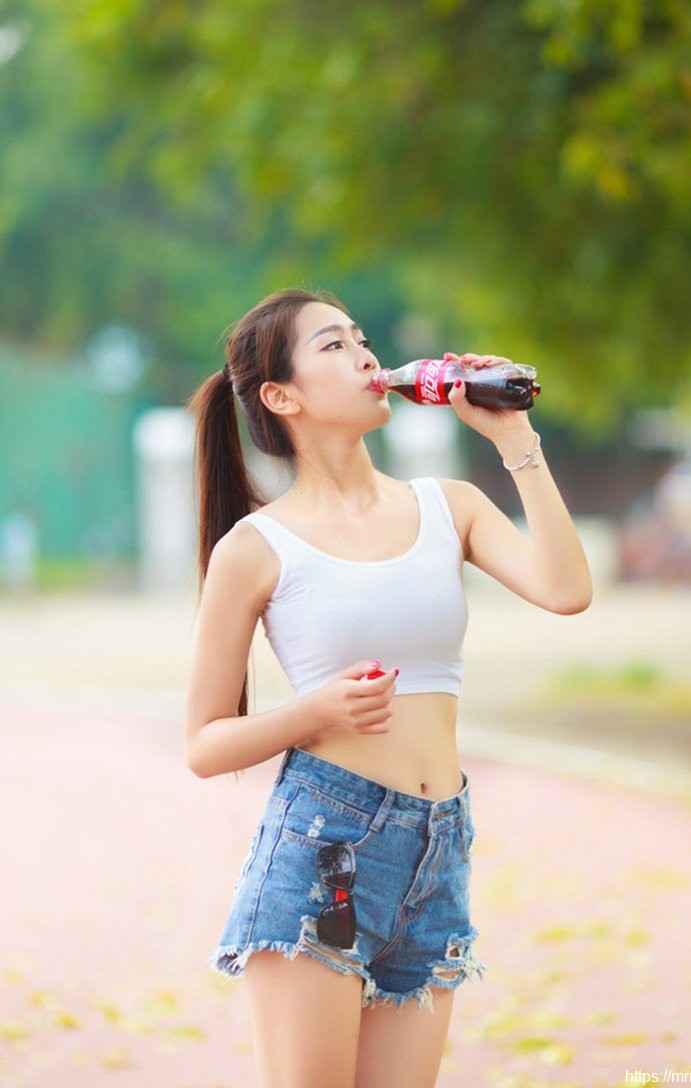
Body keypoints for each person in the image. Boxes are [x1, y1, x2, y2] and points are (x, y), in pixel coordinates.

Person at [185, 288, 592, 1088]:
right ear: (281, 395)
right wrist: (314, 711)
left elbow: (566, 589)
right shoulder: (256, 548)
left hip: (439, 847)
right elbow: (204, 743)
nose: (366, 356)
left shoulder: (450, 506)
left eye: (362, 338)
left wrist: (516, 438)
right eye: (333, 346)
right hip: (323, 851)